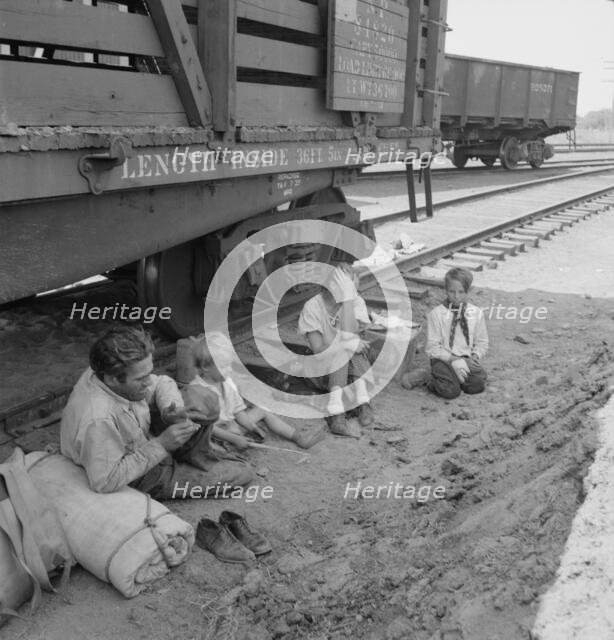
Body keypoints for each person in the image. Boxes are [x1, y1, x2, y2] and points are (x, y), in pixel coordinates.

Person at [60, 325, 253, 499]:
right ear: (112, 380)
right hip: (137, 473)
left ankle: (192, 455)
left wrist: (172, 408)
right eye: (141, 379)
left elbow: (161, 382)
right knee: (241, 471)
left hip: (144, 440)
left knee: (203, 400)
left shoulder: (107, 372)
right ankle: (186, 462)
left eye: (148, 373)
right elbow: (105, 481)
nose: (149, 382)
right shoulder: (98, 419)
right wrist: (161, 445)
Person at [184, 333, 326, 450]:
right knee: (213, 444)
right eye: (224, 366)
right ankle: (227, 447)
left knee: (262, 410)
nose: (229, 369)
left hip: (230, 425)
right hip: (211, 433)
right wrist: (234, 437)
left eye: (229, 364)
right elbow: (205, 428)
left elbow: (238, 412)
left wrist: (251, 427)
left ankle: (298, 437)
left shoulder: (227, 382)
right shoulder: (196, 391)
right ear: (205, 367)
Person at [297, 262, 374, 436]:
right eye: (348, 289)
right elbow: (318, 350)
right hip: (320, 372)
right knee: (344, 348)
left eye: (354, 290)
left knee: (353, 347)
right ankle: (338, 413)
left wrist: (348, 300)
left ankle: (360, 404)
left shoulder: (355, 301)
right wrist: (346, 344)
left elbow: (349, 335)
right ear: (332, 286)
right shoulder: (313, 306)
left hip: (350, 375)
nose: (353, 294)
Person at [425, 267, 488, 399]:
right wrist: (454, 360)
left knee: (477, 385)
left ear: (468, 291)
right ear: (446, 290)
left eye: (461, 292)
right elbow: (432, 349)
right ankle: (429, 379)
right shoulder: (437, 314)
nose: (456, 296)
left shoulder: (476, 313)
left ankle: (453, 378)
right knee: (451, 392)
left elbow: (482, 342)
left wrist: (475, 357)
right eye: (452, 291)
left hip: (466, 359)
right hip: (443, 360)